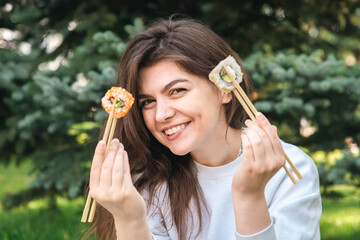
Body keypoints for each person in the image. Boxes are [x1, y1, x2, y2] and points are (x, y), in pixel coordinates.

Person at [84, 17, 322, 240]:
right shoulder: (148, 179)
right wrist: (129, 218)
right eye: (148, 102)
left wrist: (250, 196)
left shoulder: (287, 168)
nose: (161, 114)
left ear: (224, 88)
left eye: (177, 91)